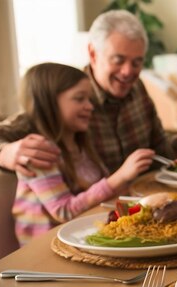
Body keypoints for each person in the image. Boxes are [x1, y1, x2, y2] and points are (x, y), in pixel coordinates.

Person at [0, 10, 177, 177]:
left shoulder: (138, 88)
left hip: (144, 204)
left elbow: (159, 152)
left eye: (137, 62)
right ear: (93, 54)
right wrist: (4, 154)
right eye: (118, 60)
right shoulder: (66, 97)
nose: (128, 72)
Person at [11, 63, 154, 244]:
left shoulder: (81, 143)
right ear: (49, 103)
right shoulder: (39, 152)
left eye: (89, 99)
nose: (90, 106)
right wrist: (119, 177)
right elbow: (64, 211)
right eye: (79, 99)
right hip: (47, 247)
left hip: (83, 237)